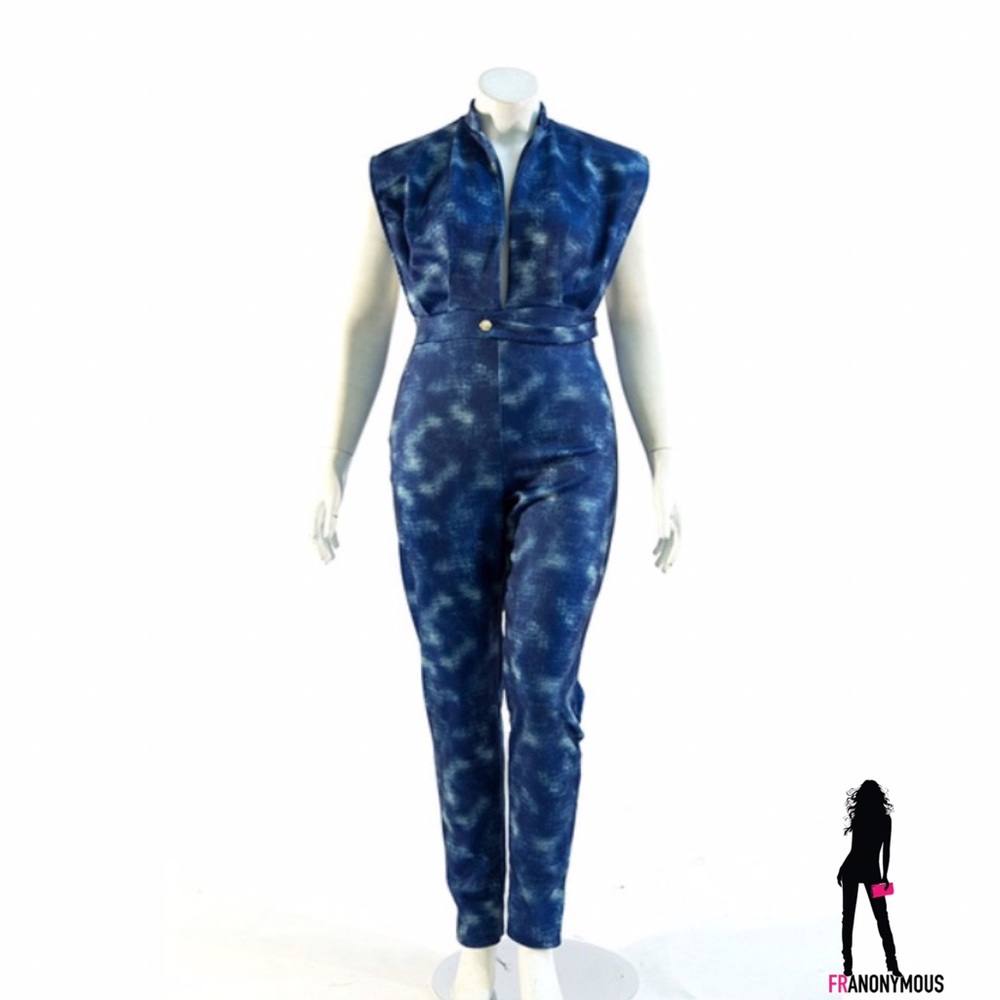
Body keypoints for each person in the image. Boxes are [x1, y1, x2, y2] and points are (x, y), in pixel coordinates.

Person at [313, 67, 680, 1000]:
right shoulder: (405, 172)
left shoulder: (608, 171)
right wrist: (333, 458)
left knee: (545, 690)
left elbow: (636, 317)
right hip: (438, 449)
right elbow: (364, 317)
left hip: (570, 448)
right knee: (457, 690)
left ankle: (539, 940)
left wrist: (666, 456)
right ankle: (477, 938)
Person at [836, 780, 902, 977]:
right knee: (882, 918)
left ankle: (848, 966)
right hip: (872, 872)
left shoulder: (860, 817)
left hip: (854, 869)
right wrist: (885, 875)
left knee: (848, 918)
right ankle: (892, 964)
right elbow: (886, 851)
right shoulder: (885, 819)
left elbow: (855, 849)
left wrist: (842, 868)